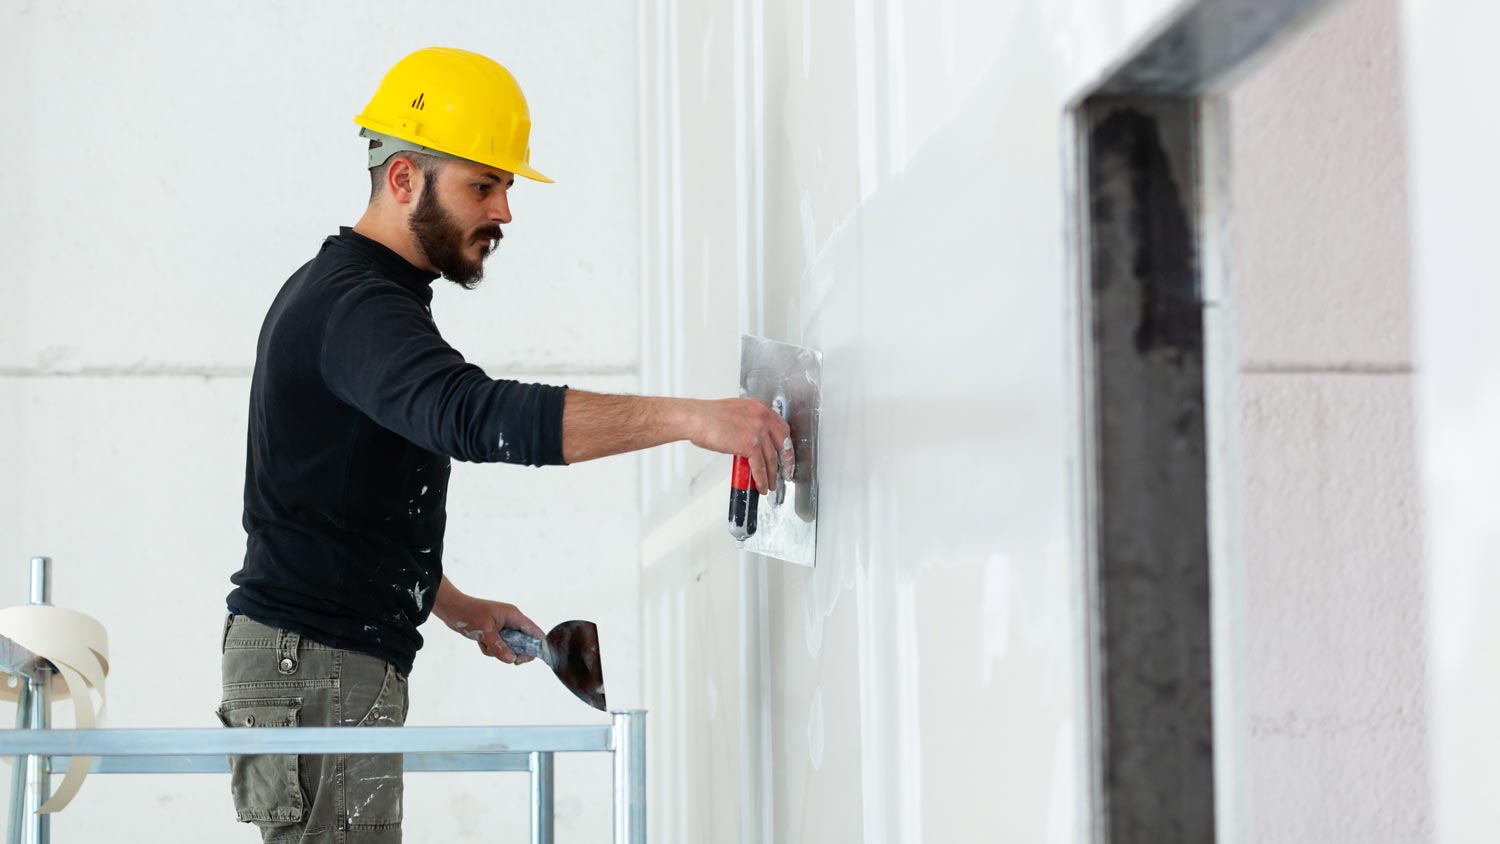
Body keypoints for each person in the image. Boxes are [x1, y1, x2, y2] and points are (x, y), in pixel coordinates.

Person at [217, 46, 791, 843]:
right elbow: (470, 414)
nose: (504, 212)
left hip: (317, 654)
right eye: (482, 185)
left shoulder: (356, 297)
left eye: (507, 187)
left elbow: (329, 496)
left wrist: (446, 602)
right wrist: (695, 419)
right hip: (317, 659)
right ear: (404, 178)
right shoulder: (356, 308)